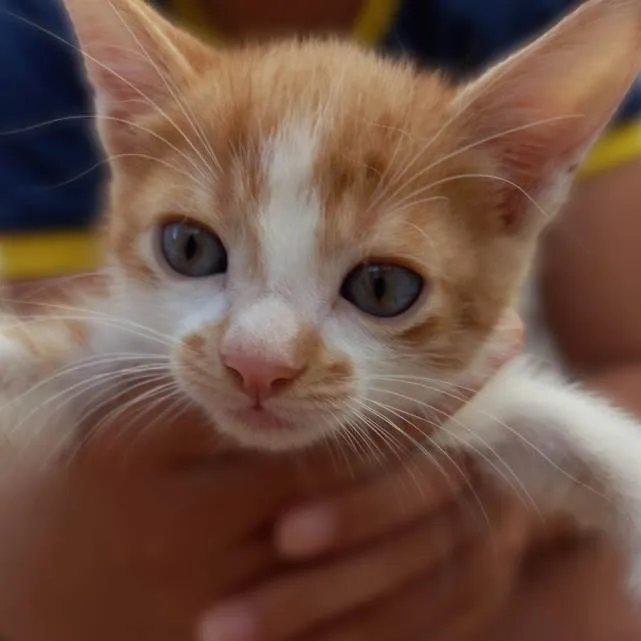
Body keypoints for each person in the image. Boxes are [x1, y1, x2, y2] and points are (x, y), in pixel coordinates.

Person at [1, 0, 641, 640]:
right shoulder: (23, 51)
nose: (258, 356)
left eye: (379, 287)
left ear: (513, 196)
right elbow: (58, 347)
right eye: (194, 250)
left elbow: (559, 425)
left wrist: (507, 524)